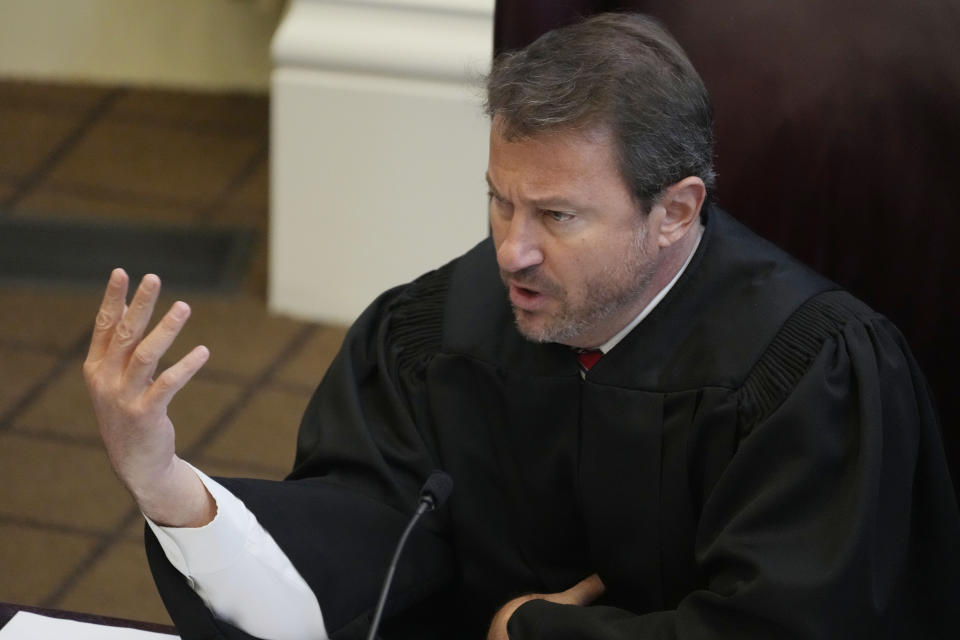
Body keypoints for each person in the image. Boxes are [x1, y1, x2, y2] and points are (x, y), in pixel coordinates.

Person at [83, 13, 960, 640]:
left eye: (557, 216)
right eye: (500, 203)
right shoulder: (428, 340)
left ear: (677, 210)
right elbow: (350, 565)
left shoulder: (810, 375)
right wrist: (164, 483)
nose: (511, 252)